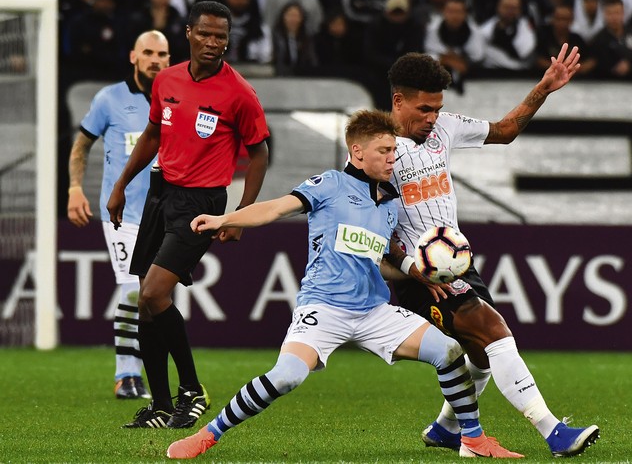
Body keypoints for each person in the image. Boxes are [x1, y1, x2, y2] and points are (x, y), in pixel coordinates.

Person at [166, 109, 524, 460]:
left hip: (373, 311)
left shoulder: (387, 204)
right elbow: (276, 208)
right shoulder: (331, 184)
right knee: (287, 376)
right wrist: (224, 218)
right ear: (358, 152)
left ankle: (473, 440)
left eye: (394, 151)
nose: (392, 158)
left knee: (448, 352)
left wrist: (419, 272)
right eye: (384, 151)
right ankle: (207, 435)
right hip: (324, 307)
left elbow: (378, 261)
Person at [384, 47, 600, 458]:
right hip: (422, 278)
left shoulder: (443, 129)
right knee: (495, 332)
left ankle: (446, 428)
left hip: (455, 264)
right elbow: (372, 228)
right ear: (398, 101)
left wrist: (544, 89)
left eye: (438, 108)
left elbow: (504, 130)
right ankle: (553, 431)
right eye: (424, 108)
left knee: (482, 355)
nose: (432, 117)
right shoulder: (376, 150)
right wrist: (414, 270)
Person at [106, 0, 270, 429]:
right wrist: (122, 184)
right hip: (161, 194)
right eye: (206, 34)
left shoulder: (239, 93)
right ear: (189, 33)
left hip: (202, 203)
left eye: (221, 36)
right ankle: (161, 406)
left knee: (153, 294)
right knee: (146, 304)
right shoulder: (167, 80)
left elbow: (259, 154)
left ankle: (192, 390)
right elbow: (153, 134)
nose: (213, 43)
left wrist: (241, 213)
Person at [67, 30, 170, 400]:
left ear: (170, 59)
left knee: (155, 298)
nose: (155, 59)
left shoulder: (176, 102)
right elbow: (81, 145)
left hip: (165, 216)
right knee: (131, 290)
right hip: (122, 216)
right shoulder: (109, 99)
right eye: (148, 52)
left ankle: (155, 374)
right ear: (133, 56)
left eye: (162, 53)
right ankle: (126, 375)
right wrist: (74, 188)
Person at [589, 0, 632, 82]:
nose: (614, 17)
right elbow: (597, 67)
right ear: (603, 14)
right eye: (610, 13)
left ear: (623, 13)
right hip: (608, 85)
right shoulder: (598, 40)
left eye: (617, 13)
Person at [479, 0, 537, 78]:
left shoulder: (526, 27)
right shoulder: (487, 28)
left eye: (513, 8)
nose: (509, 11)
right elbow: (479, 54)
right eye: (506, 7)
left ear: (519, 10)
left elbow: (523, 52)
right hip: (491, 75)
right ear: (498, 7)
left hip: (521, 75)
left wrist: (505, 38)